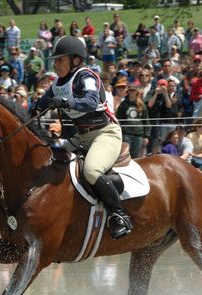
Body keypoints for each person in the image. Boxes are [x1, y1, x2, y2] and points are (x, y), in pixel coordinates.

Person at [36, 36, 131, 239]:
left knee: (91, 170)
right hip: (82, 137)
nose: (56, 64)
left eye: (60, 59)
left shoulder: (86, 76)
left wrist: (65, 102)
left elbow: (89, 101)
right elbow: (40, 106)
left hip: (106, 133)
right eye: (55, 60)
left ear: (76, 60)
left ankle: (119, 215)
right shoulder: (57, 84)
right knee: (52, 159)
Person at [116, 83, 149, 159]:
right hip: (126, 133)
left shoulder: (142, 105)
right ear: (127, 92)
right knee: (124, 156)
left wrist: (146, 136)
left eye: (133, 90)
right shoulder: (123, 104)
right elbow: (118, 119)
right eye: (130, 90)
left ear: (136, 92)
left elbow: (146, 121)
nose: (132, 92)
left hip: (139, 134)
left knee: (136, 157)